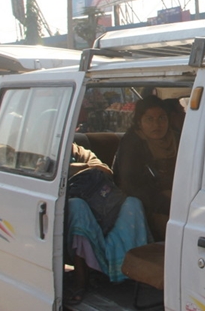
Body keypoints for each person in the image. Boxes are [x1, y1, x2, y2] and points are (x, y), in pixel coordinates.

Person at [65, 142, 150, 305]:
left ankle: (132, 273)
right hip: (82, 216)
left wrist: (78, 167)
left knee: (133, 203)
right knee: (76, 206)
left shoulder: (80, 152)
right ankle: (80, 279)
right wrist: (82, 169)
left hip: (106, 208)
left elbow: (105, 171)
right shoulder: (48, 153)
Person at [113, 95, 178, 241]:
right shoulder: (132, 143)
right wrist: (167, 202)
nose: (157, 125)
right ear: (139, 122)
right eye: (150, 119)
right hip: (143, 204)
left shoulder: (177, 139)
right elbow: (131, 185)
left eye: (162, 118)